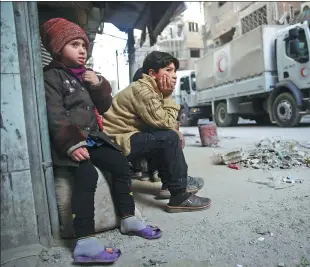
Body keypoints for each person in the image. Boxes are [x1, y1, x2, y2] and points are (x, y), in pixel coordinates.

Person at [40, 18, 161, 264]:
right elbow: (55, 114)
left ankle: (128, 218)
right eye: (74, 44)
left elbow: (105, 106)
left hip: (94, 138)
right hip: (72, 141)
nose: (82, 50)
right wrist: (71, 144)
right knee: (87, 175)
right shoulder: (51, 76)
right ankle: (84, 239)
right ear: (58, 48)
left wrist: (99, 85)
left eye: (84, 45)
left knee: (119, 163)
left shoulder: (87, 76)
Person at [103, 51, 211, 212]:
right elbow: (166, 122)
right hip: (117, 142)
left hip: (126, 137)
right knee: (168, 138)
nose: (173, 76)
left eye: (174, 71)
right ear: (152, 73)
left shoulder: (151, 88)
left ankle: (170, 184)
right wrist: (168, 97)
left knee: (165, 137)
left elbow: (161, 123)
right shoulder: (143, 91)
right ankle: (179, 196)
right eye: (168, 70)